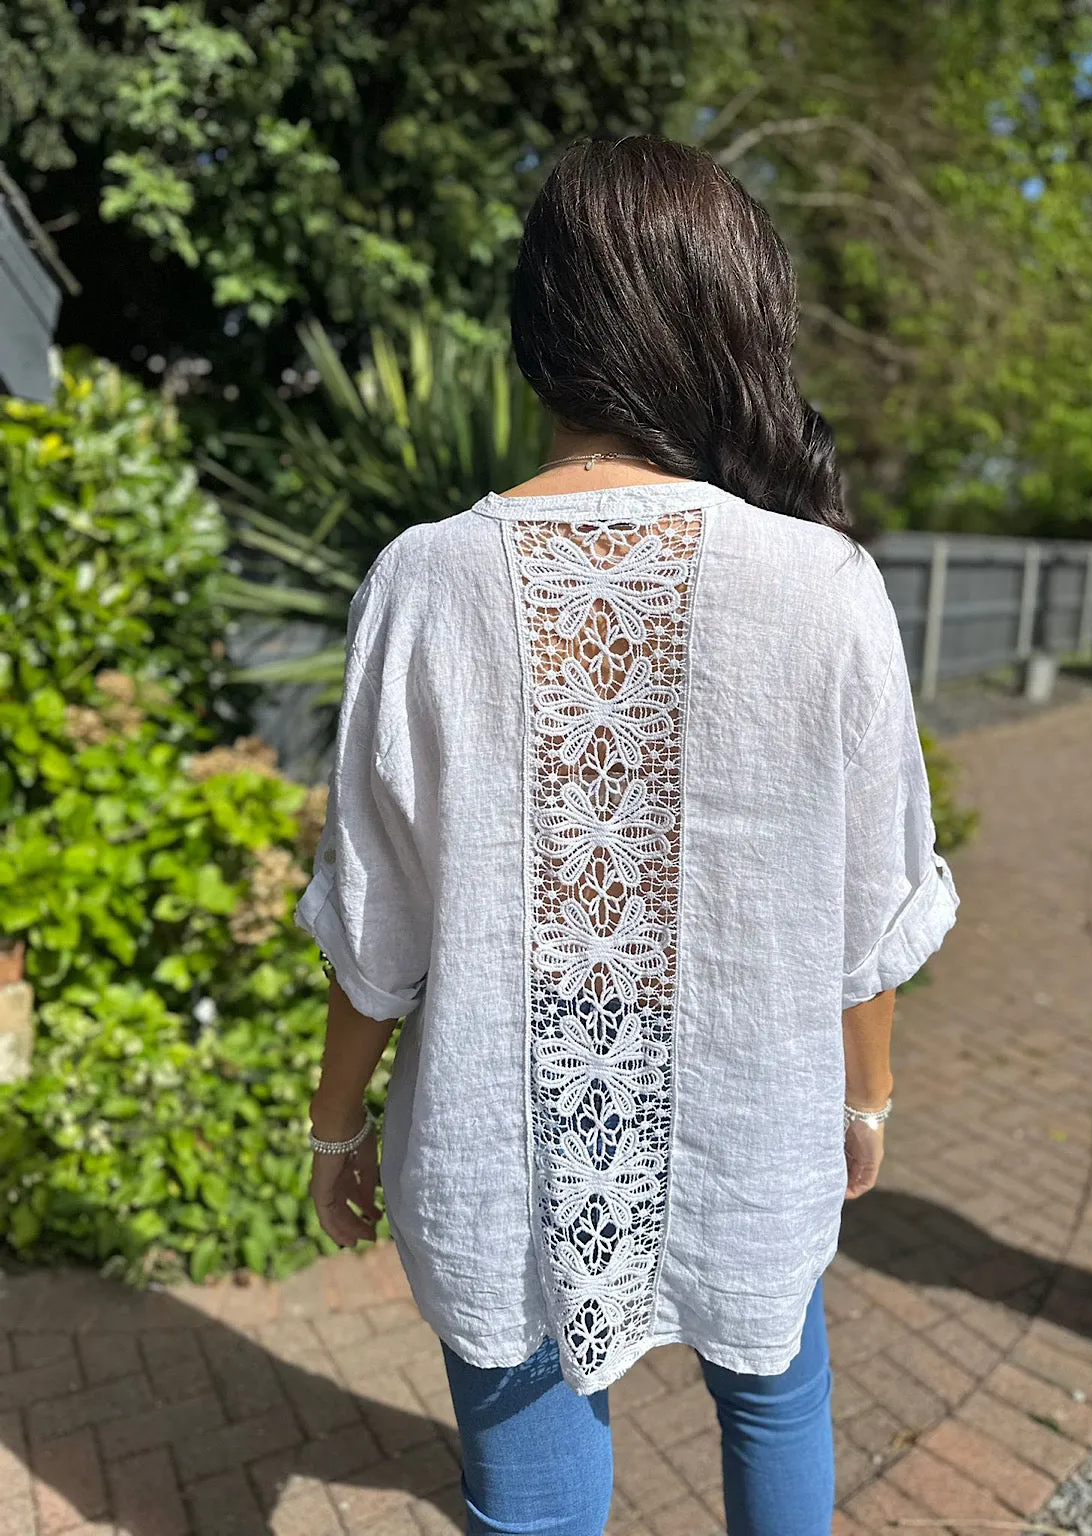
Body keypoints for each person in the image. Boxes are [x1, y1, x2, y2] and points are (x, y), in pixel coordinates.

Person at [297, 134, 959, 1536]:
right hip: (755, 1118)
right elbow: (868, 909)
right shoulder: (824, 584)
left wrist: (335, 1126)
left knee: (529, 1469)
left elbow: (377, 924)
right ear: (735, 321)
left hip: (496, 1137)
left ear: (538, 324)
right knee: (776, 1391)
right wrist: (867, 1098)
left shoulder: (425, 583)